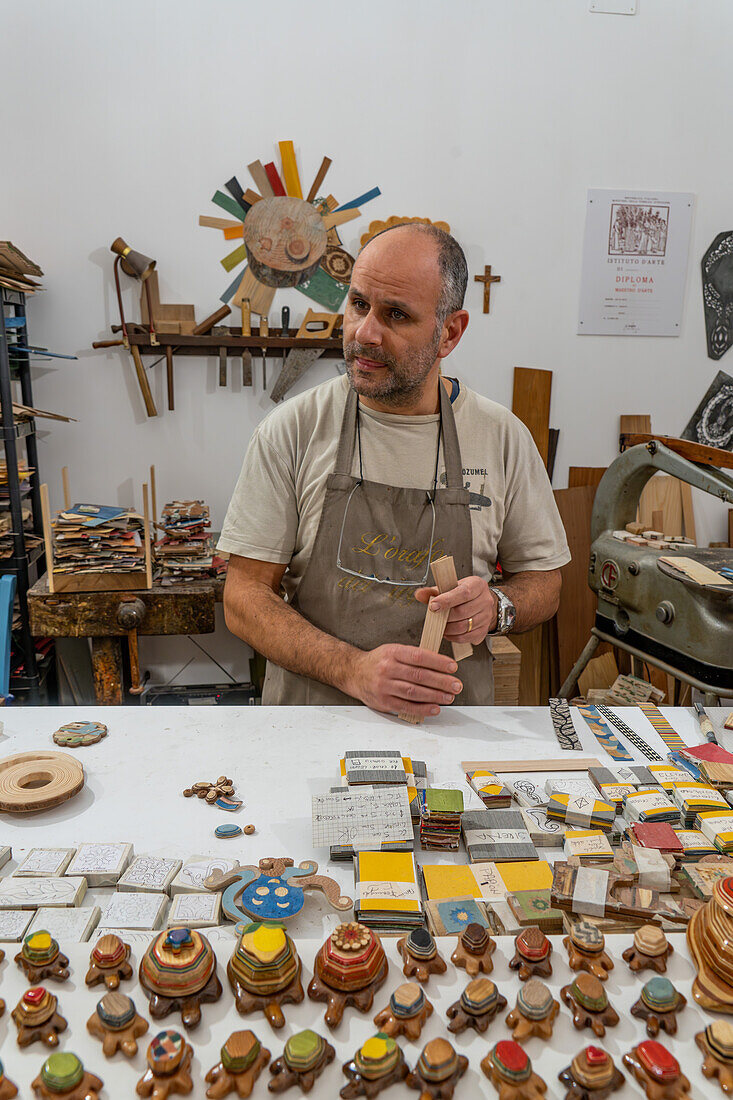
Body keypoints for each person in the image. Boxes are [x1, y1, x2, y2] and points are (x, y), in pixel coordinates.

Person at [219, 223, 570, 719]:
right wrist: (353, 671)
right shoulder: (292, 430)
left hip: (450, 728)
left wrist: (497, 607)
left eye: (396, 315)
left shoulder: (500, 436)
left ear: (449, 331)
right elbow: (243, 596)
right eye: (359, 304)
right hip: (312, 729)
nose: (365, 333)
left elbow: (544, 584)